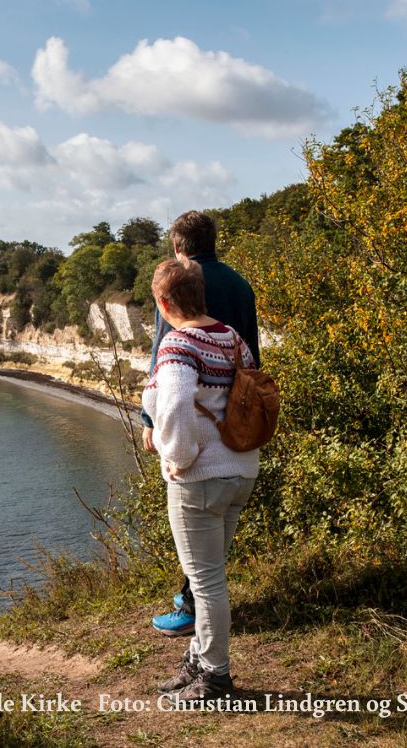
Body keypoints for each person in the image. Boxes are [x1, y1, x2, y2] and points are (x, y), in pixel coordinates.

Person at [142, 258, 260, 701]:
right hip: (240, 471)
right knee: (212, 575)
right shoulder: (232, 340)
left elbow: (172, 407)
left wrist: (178, 456)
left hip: (201, 478)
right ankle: (198, 662)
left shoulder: (178, 345)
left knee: (206, 582)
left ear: (165, 301)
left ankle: (215, 677)